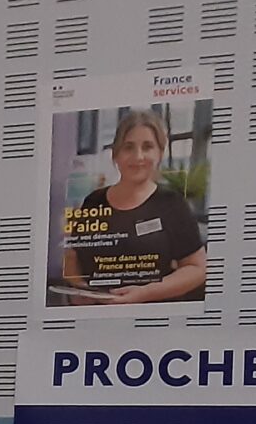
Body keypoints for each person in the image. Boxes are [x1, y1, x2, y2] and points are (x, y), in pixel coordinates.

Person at [56, 108, 207, 306]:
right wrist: (79, 287)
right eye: (128, 147)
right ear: (116, 154)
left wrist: (146, 293)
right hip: (98, 316)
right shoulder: (94, 201)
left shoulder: (172, 203)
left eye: (147, 147)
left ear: (160, 153)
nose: (138, 156)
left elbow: (197, 269)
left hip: (152, 317)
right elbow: (72, 257)